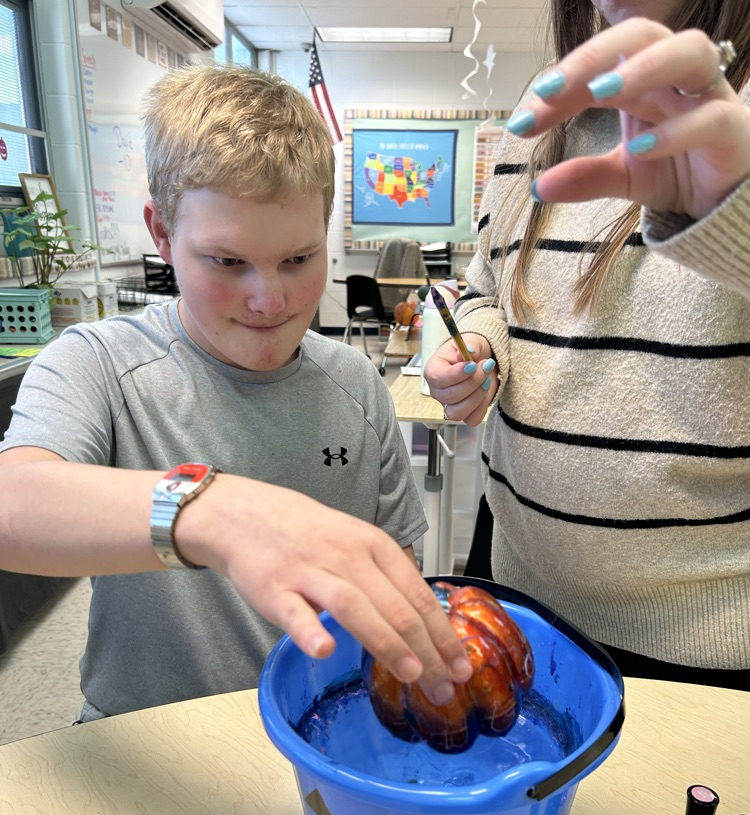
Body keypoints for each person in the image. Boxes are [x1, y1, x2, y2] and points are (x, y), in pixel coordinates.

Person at [0, 65, 472, 721]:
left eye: (299, 260)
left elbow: (394, 564)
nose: (269, 299)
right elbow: (12, 505)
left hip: (319, 729)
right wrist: (213, 514)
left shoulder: (357, 384)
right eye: (227, 262)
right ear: (162, 235)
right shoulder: (99, 363)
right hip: (145, 737)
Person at [425, 0, 750, 689]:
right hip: (516, 590)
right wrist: (483, 341)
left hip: (703, 651)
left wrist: (735, 225)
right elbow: (488, 281)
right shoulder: (544, 110)